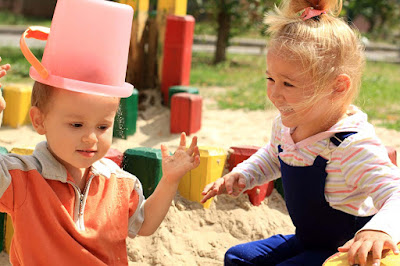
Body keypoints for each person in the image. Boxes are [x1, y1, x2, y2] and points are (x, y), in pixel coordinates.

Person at [0, 0, 200, 265]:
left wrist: (170, 180)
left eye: (103, 127)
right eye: (76, 125)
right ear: (39, 121)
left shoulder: (121, 183)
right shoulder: (22, 178)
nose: (91, 138)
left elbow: (145, 224)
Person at [201, 0, 400, 265]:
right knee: (238, 257)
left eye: (288, 83)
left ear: (337, 87)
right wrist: (243, 174)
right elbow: (274, 156)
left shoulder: (351, 146)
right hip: (306, 239)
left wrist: (378, 230)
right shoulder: (286, 126)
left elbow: (395, 193)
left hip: (342, 254)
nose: (274, 93)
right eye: (270, 79)